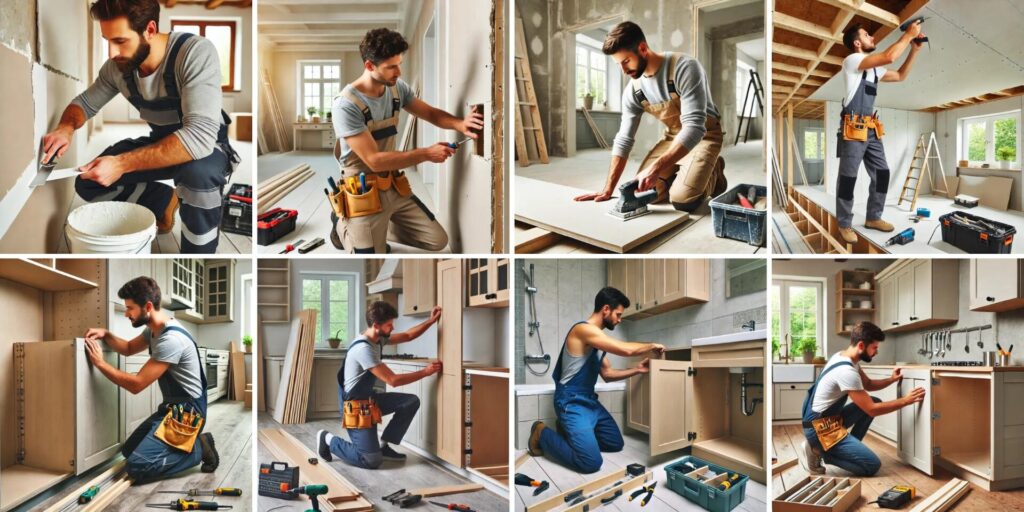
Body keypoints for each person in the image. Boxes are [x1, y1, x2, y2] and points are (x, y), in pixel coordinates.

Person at [42, 0, 238, 253]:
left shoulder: (194, 53)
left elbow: (199, 137)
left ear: (150, 29)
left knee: (197, 175)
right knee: (89, 182)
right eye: (107, 40)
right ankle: (163, 201)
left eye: (121, 41)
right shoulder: (117, 68)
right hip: (163, 142)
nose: (112, 52)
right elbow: (84, 103)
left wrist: (121, 163)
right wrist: (65, 128)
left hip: (206, 147)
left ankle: (197, 251)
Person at [329, 28, 484, 253]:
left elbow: (430, 113)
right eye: (391, 66)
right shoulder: (346, 105)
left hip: (391, 184)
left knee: (438, 241)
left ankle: (379, 227)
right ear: (370, 66)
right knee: (370, 256)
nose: (398, 72)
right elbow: (374, 160)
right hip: (361, 191)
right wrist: (426, 154)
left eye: (399, 63)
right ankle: (341, 226)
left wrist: (461, 124)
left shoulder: (396, 89)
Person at [575, 21, 726, 213]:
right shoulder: (633, 91)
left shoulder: (684, 67)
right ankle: (683, 173)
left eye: (626, 61)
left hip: (704, 136)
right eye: (618, 64)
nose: (623, 70)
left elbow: (694, 128)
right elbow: (624, 139)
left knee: (683, 200)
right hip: (673, 137)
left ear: (643, 48)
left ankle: (714, 171)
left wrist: (655, 168)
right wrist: (608, 189)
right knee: (642, 192)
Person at [83, 276, 219, 483]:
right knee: (129, 451)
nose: (127, 313)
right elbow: (128, 349)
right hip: (171, 409)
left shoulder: (171, 339)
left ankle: (200, 447)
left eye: (130, 308)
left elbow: (137, 385)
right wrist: (106, 334)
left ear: (147, 306)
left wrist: (101, 364)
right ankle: (186, 445)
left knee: (137, 467)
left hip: (188, 414)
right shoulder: (155, 329)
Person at [526, 287, 665, 473]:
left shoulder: (597, 342)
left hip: (589, 402)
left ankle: (570, 432)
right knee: (590, 463)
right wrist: (651, 346)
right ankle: (541, 433)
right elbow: (626, 350)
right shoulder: (582, 330)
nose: (619, 319)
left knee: (615, 443)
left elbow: (607, 375)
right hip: (571, 402)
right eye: (618, 314)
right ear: (606, 309)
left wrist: (637, 370)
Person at [316, 300, 443, 468]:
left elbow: (407, 336)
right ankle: (327, 438)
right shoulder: (364, 349)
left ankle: (383, 446)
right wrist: (425, 372)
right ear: (376, 325)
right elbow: (393, 381)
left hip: (369, 401)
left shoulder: (378, 339)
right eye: (389, 325)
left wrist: (431, 321)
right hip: (354, 407)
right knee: (370, 460)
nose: (393, 328)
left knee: (410, 401)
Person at [834, 21, 924, 243]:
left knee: (882, 173)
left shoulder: (875, 69)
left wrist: (914, 50)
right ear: (857, 43)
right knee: (848, 179)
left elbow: (901, 75)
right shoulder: (852, 60)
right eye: (867, 35)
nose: (872, 38)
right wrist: (908, 34)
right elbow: (889, 56)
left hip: (871, 130)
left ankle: (874, 217)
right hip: (853, 129)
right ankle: (844, 223)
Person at [802, 321, 925, 476]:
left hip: (826, 421)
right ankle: (818, 450)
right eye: (874, 347)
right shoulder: (846, 371)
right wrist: (906, 401)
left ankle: (845, 448)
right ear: (861, 345)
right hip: (820, 428)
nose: (876, 352)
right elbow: (871, 411)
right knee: (871, 465)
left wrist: (891, 379)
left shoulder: (843, 357)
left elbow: (868, 384)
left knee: (874, 400)